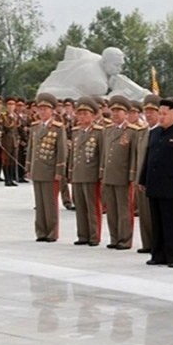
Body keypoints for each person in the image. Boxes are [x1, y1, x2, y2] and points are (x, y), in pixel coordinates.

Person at [139, 98, 173, 268]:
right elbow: (148, 159)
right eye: (160, 113)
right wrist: (142, 179)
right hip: (155, 183)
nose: (161, 117)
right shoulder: (154, 133)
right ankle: (158, 254)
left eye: (165, 114)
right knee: (157, 221)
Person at [26, 93, 67, 242]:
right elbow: (31, 149)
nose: (42, 112)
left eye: (45, 109)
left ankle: (51, 232)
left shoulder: (57, 128)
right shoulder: (35, 127)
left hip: (50, 170)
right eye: (40, 109)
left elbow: (62, 151)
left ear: (52, 111)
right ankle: (41, 231)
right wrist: (29, 167)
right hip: (37, 170)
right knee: (39, 203)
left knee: (50, 203)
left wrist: (59, 171)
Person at [101, 95, 139, 249]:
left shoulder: (132, 131)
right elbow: (105, 153)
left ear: (126, 113)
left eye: (119, 111)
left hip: (123, 175)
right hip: (109, 175)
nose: (115, 114)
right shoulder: (108, 130)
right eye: (113, 111)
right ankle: (114, 237)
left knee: (124, 209)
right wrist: (102, 172)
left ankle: (125, 239)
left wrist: (132, 175)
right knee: (111, 209)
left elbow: (133, 156)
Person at [69, 96, 104, 246]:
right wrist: (70, 171)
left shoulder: (99, 132)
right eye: (80, 114)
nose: (82, 117)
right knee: (80, 206)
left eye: (86, 114)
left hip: (91, 173)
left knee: (92, 206)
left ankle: (94, 235)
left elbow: (102, 154)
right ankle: (83, 234)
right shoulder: (76, 131)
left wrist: (101, 173)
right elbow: (73, 154)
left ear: (94, 115)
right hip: (78, 173)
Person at [135, 94, 161, 254]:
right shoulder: (142, 132)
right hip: (141, 179)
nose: (149, 114)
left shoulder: (161, 132)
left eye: (152, 111)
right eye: (146, 111)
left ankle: (157, 244)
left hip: (155, 181)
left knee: (154, 216)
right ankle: (147, 243)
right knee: (144, 214)